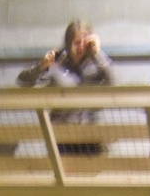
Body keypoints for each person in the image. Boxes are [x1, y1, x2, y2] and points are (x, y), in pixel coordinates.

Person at [17, 19, 114, 156]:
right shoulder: (56, 61)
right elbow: (23, 81)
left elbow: (112, 84)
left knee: (93, 173)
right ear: (68, 43)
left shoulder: (97, 62)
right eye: (76, 42)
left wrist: (98, 54)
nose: (80, 47)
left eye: (85, 43)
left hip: (90, 132)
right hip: (62, 133)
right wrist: (41, 67)